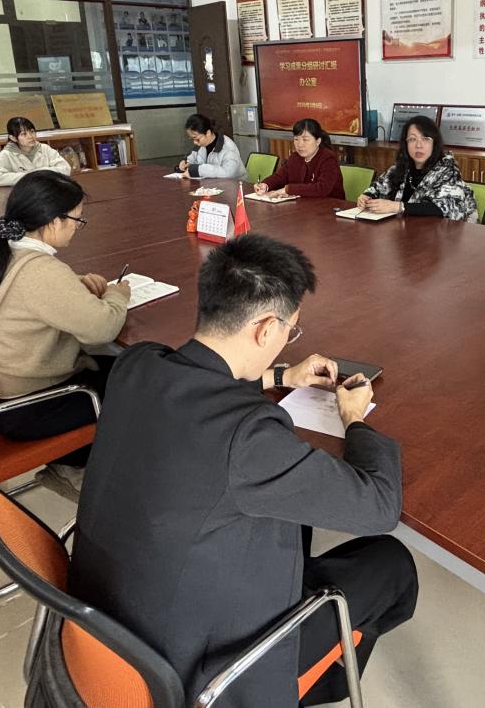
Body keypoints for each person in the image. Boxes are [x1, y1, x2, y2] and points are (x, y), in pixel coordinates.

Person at [68, 234, 418, 707]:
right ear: (265, 328)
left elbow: (199, 384)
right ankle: (317, 685)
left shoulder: (136, 363)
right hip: (198, 668)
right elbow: (379, 506)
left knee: (290, 528)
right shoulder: (248, 436)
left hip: (109, 629)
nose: (288, 339)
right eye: (291, 330)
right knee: (392, 564)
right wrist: (354, 419)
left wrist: (281, 376)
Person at [0, 170, 129, 497]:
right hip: (35, 406)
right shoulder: (42, 271)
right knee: (139, 380)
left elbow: (24, 292)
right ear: (52, 221)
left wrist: (74, 285)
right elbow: (103, 327)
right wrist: (117, 295)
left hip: (3, 395)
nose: (77, 227)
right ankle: (75, 466)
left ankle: (76, 458)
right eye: (76, 220)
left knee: (120, 366)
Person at [356, 116, 477, 221]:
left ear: (434, 144)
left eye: (425, 139)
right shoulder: (400, 167)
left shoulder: (448, 170)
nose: (419, 145)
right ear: (406, 143)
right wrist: (366, 196)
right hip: (406, 231)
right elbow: (377, 188)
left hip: (443, 235)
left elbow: (443, 208)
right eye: (412, 139)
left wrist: (397, 207)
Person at [253, 118, 345, 199]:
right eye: (296, 139)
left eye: (305, 139)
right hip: (304, 206)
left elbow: (322, 188)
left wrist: (288, 190)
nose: (300, 144)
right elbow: (280, 177)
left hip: (330, 207)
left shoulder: (328, 158)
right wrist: (266, 185)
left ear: (318, 141)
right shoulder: (295, 157)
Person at [0, 116, 71, 186]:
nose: (30, 136)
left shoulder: (45, 148)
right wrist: (27, 176)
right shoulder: (6, 154)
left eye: (32, 132)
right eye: (24, 134)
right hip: (22, 194)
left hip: (46, 191)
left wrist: (41, 172)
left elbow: (65, 169)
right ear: (13, 138)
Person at [178, 113, 247, 180]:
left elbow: (229, 173)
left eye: (197, 139)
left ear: (208, 133)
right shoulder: (201, 145)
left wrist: (200, 170)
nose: (195, 142)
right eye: (192, 139)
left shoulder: (227, 147)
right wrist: (187, 163)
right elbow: (193, 158)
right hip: (212, 184)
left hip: (236, 184)